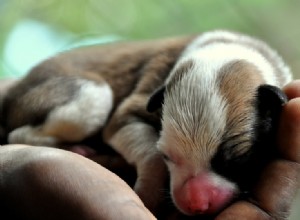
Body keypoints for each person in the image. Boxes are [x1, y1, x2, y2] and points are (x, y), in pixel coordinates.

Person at [0, 80, 300, 220]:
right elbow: (123, 119)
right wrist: (151, 165)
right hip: (49, 98)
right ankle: (35, 135)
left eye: (231, 162)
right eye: (171, 157)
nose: (194, 199)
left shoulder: (264, 95)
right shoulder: (176, 82)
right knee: (94, 102)